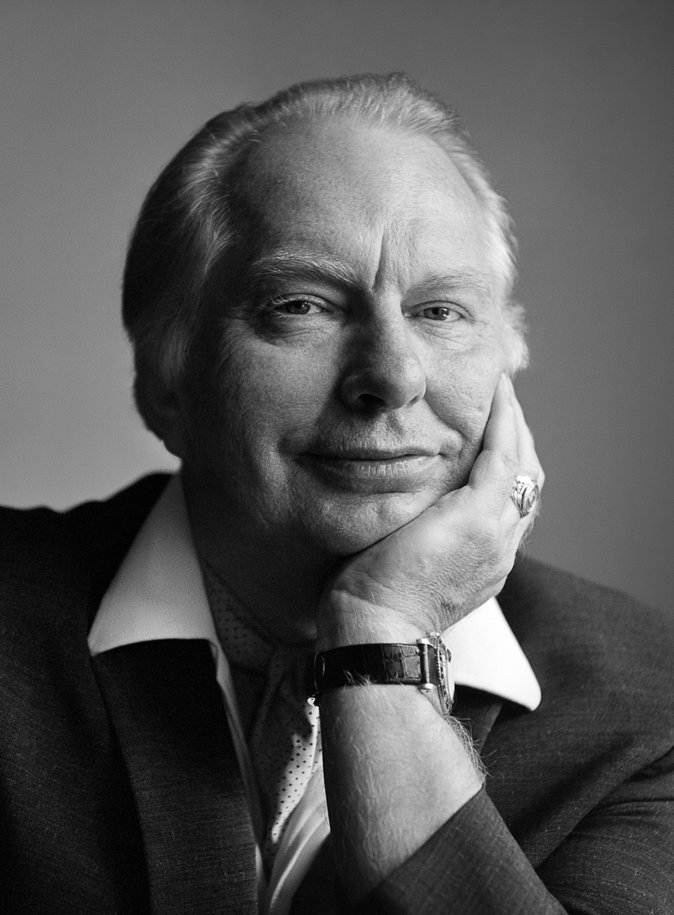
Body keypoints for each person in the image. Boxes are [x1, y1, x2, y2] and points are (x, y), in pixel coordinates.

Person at [0, 73, 671, 915]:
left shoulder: (649, 704)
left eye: (441, 312)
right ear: (167, 382)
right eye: (303, 304)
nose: (391, 376)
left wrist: (380, 638)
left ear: (507, 361)